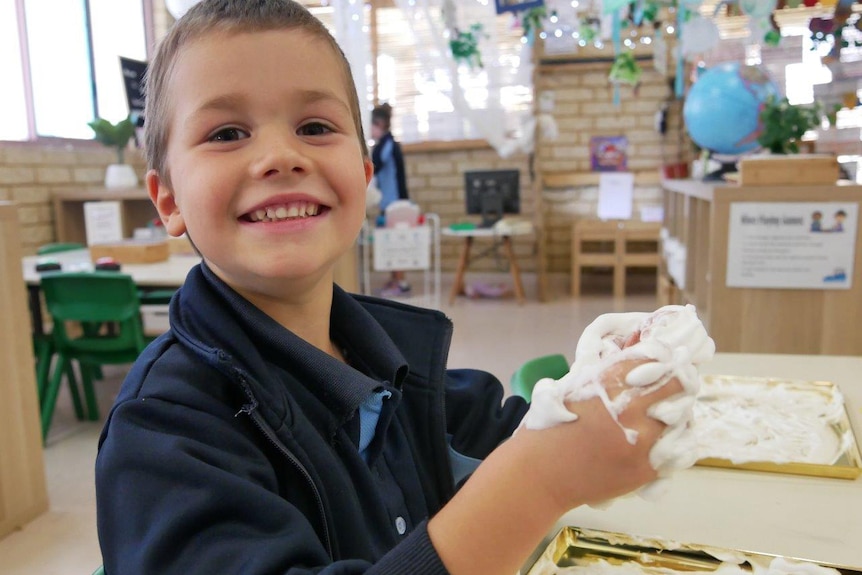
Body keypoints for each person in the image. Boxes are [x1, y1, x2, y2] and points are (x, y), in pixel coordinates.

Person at [95, 2, 682, 574]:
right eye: (226, 132)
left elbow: (505, 431)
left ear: (365, 172)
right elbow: (533, 468)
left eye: (315, 127)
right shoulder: (161, 434)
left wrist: (601, 396)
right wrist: (541, 480)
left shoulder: (387, 357)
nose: (280, 156)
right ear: (168, 199)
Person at [371, 103, 412, 297]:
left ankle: (400, 281)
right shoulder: (384, 144)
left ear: (379, 124)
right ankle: (395, 279)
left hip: (396, 203)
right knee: (390, 242)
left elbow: (375, 166)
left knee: (398, 242)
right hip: (388, 203)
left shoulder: (388, 144)